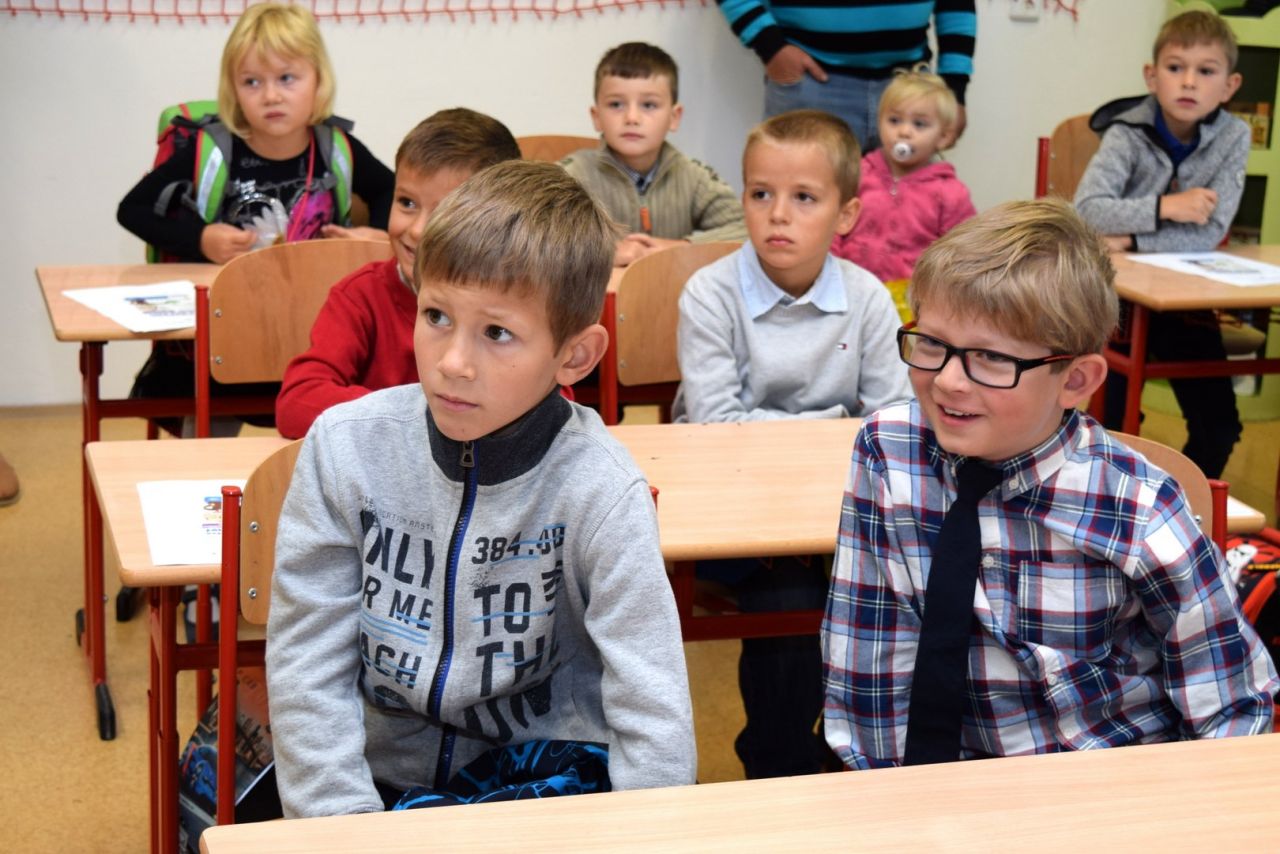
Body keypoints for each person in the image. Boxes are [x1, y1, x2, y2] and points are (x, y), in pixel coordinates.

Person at [266, 160, 697, 818]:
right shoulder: (345, 448)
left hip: (541, 787)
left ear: (575, 356)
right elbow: (308, 667)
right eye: (436, 315)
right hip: (374, 787)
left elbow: (653, 707)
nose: (453, 362)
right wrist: (344, 829)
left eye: (497, 333)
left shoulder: (601, 490)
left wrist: (642, 831)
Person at [823, 197, 1278, 770]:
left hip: (1102, 778)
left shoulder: (1138, 506)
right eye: (932, 344)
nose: (948, 381)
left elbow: (1231, 705)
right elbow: (867, 653)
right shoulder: (887, 451)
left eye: (990, 358)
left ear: (1076, 381)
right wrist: (881, 793)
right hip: (937, 783)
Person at [673, 110, 911, 778]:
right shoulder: (710, 294)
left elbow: (892, 422)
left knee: (907, 572)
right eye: (761, 193)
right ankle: (778, 762)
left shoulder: (867, 298)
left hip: (836, 505)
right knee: (790, 592)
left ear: (846, 214)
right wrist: (835, 428)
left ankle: (864, 752)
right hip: (731, 511)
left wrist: (816, 449)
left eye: (804, 197)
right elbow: (717, 428)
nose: (778, 214)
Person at [117, 2, 395, 436]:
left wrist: (373, 232)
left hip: (312, 329)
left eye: (287, 78)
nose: (270, 96)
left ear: (318, 81)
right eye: (252, 82)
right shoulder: (213, 149)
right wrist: (200, 238)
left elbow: (391, 191)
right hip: (229, 332)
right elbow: (131, 209)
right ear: (233, 89)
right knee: (208, 442)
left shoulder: (337, 147)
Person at [275, 108, 522, 439]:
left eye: (444, 213)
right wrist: (424, 416)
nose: (417, 230)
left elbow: (547, 410)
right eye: (407, 202)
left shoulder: (516, 307)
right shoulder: (361, 296)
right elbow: (297, 403)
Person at [1075, 9, 1249, 479]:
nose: (1189, 82)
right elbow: (1087, 210)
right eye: (1175, 68)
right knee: (1110, 424)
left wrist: (1130, 235)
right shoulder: (1126, 132)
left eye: (1206, 71)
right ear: (1152, 76)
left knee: (1219, 427)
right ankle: (1111, 495)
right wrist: (1168, 207)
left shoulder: (1234, 136)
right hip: (1117, 303)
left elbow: (1210, 232)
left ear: (1229, 86)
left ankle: (1183, 501)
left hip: (1184, 302)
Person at [560, 42, 746, 267]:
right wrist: (603, 252)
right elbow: (535, 235)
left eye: (648, 105)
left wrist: (681, 247)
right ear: (596, 116)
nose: (632, 118)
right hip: (601, 290)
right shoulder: (572, 175)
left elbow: (746, 228)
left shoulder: (694, 177)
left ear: (674, 117)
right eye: (616, 104)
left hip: (668, 287)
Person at [716, 0, 977, 151]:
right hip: (810, 87)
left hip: (909, 92)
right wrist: (770, 46)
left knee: (910, 219)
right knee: (797, 215)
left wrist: (954, 88)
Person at [830, 68, 975, 289]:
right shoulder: (857, 173)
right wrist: (831, 270)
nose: (904, 131)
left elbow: (961, 251)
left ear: (943, 137)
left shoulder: (951, 193)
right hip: (850, 288)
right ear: (879, 123)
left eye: (919, 124)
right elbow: (831, 224)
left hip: (911, 298)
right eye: (894, 120)